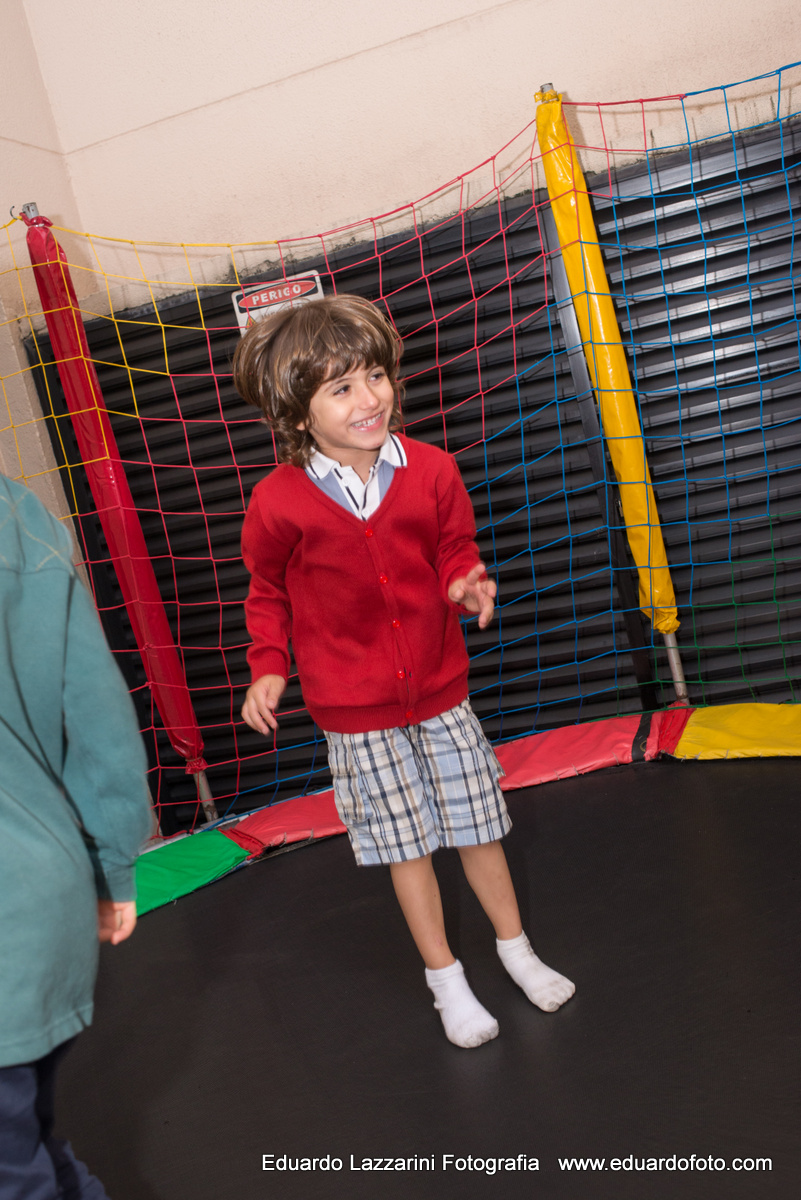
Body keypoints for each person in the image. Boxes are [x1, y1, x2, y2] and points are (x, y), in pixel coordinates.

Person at [234, 294, 574, 1048]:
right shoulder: (277, 502)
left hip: (440, 693)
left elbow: (453, 548)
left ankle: (516, 951)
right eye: (341, 388)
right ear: (297, 414)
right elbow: (266, 591)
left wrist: (463, 583)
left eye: (375, 376)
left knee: (479, 828)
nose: (369, 398)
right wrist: (267, 667)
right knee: (406, 847)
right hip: (355, 712)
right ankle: (445, 979)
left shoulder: (431, 470)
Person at [0, 473, 152, 1198]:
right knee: (31, 1152)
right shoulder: (17, 510)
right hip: (41, 908)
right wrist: (110, 865)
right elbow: (95, 714)